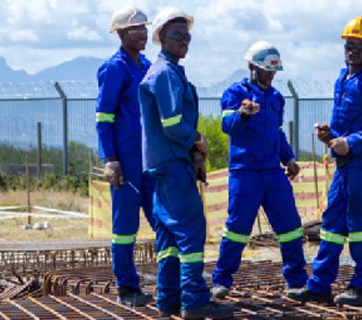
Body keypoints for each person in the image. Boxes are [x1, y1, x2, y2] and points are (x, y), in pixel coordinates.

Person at [287, 16, 362, 307]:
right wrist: (331, 136)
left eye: (360, 45)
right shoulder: (343, 78)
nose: (354, 49)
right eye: (350, 44)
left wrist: (350, 143)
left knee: (361, 228)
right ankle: (320, 285)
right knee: (331, 227)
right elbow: (348, 125)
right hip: (344, 167)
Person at [138, 7, 234, 319]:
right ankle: (194, 302)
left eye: (187, 36)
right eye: (176, 35)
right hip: (172, 166)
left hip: (166, 165)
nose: (184, 40)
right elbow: (172, 123)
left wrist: (193, 154)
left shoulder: (169, 71)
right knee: (191, 231)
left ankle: (167, 300)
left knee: (167, 236)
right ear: (161, 38)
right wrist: (197, 140)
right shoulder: (165, 74)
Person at [209, 41, 308, 298]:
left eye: (274, 70)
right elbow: (227, 125)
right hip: (245, 173)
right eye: (267, 70)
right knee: (237, 229)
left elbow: (276, 132)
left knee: (291, 227)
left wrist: (289, 159)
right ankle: (222, 281)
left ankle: (296, 280)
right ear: (252, 67)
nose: (271, 75)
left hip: (273, 173)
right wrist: (243, 114)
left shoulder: (275, 98)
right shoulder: (235, 92)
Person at [95, 5, 156, 307]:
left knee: (163, 220)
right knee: (125, 228)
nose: (142, 33)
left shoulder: (145, 65)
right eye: (135, 29)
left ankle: (173, 283)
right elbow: (104, 118)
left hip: (150, 159)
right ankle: (127, 287)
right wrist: (111, 159)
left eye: (144, 27)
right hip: (127, 160)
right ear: (120, 34)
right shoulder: (115, 68)